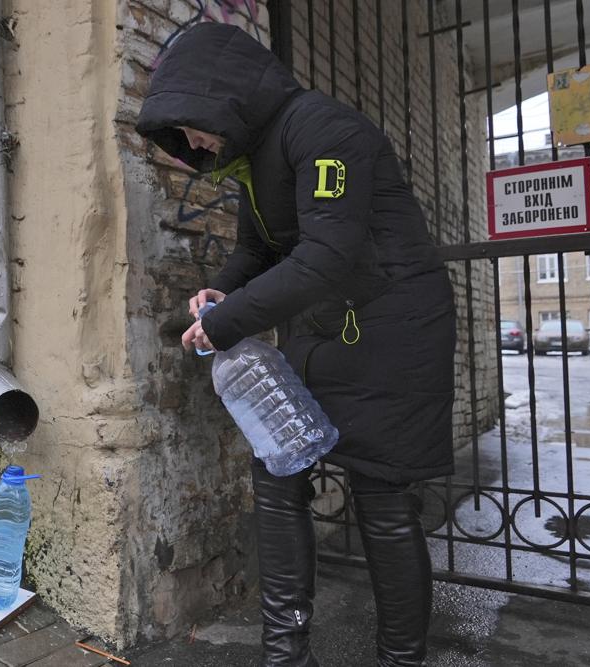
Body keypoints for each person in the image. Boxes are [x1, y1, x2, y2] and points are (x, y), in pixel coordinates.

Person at [135, 23, 456, 667]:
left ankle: (400, 658)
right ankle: (285, 653)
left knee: (383, 499)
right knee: (277, 473)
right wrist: (219, 292)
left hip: (393, 334)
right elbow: (257, 249)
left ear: (221, 96)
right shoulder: (259, 158)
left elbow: (327, 255)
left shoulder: (327, 130)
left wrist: (225, 326)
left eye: (193, 127)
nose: (192, 145)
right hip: (322, 331)